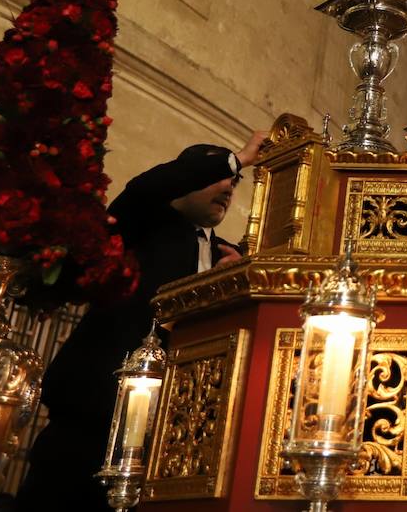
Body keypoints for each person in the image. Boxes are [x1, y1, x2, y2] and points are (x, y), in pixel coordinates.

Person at [16, 131, 266, 512]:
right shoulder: (143, 221)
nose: (228, 187)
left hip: (170, 426)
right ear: (183, 181)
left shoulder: (225, 254)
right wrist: (239, 158)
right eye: (216, 176)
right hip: (95, 411)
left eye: (233, 182)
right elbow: (148, 186)